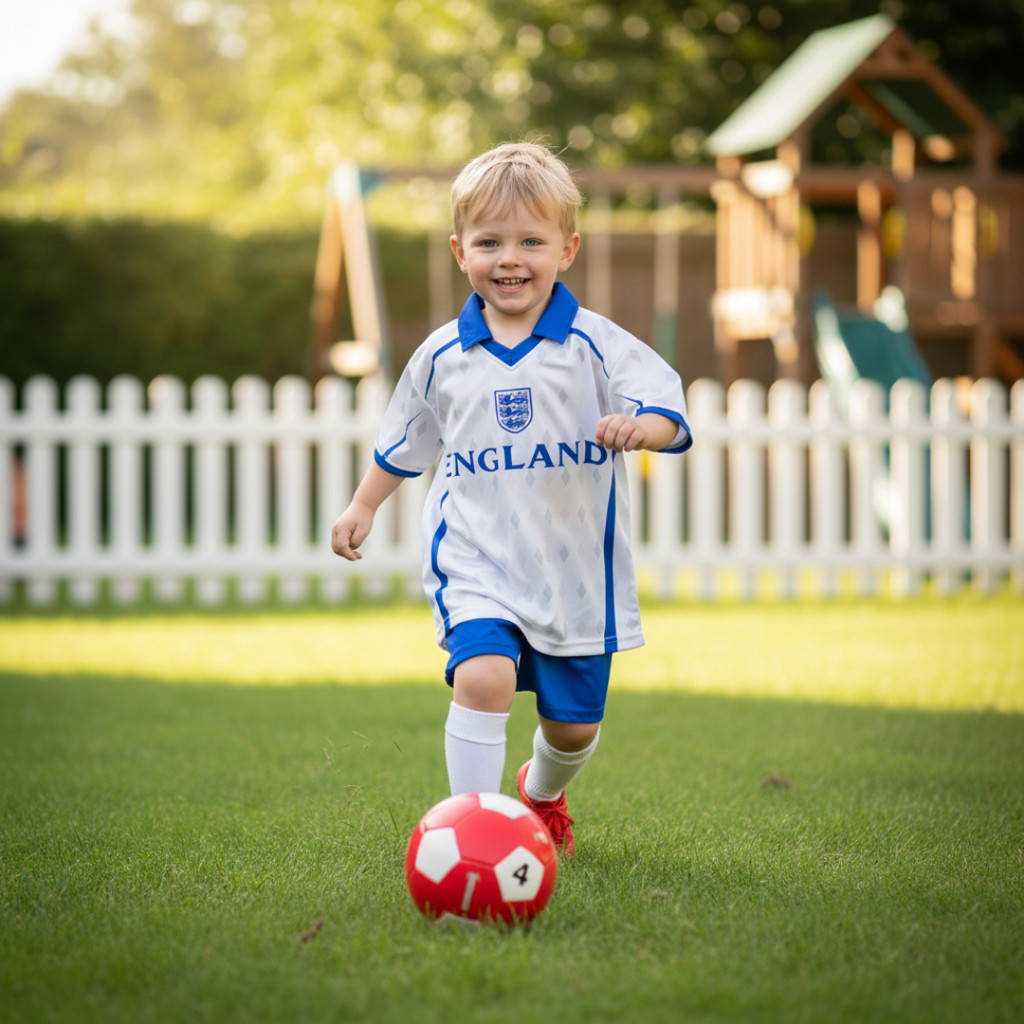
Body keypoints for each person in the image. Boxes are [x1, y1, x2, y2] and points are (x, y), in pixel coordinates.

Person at [331, 142, 692, 856]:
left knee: (574, 729)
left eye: (532, 240)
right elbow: (405, 443)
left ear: (568, 248)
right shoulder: (441, 355)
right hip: (476, 560)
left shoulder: (595, 344)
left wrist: (640, 428)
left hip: (575, 577)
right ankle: (477, 830)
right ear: (461, 250)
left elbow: (668, 407)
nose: (511, 258)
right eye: (491, 242)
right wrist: (363, 505)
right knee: (485, 677)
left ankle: (541, 794)